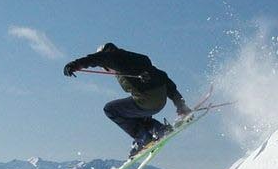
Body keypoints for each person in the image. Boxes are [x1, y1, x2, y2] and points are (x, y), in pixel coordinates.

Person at [63, 42, 193, 156]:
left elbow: (98, 58)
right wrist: (181, 106)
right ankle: (158, 129)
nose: (107, 70)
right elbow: (166, 80)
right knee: (132, 111)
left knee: (110, 109)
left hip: (147, 100)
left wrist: (76, 65)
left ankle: (143, 138)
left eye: (105, 68)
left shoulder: (114, 57)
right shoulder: (137, 60)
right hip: (159, 101)